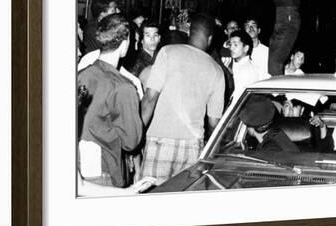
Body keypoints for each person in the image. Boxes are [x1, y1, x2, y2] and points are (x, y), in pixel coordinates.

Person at [140, 13, 225, 185]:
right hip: (193, 146)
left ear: (189, 32)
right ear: (210, 38)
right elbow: (214, 122)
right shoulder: (217, 70)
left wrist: (137, 134)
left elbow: (150, 98)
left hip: (159, 140)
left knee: (149, 199)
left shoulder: (167, 52)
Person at [77, 14, 144, 188]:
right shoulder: (123, 87)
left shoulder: (81, 74)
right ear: (125, 43)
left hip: (78, 165)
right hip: (105, 169)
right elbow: (131, 142)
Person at [228, 30, 261, 101]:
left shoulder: (249, 70)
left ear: (246, 48)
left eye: (235, 45)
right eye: (230, 44)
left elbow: (238, 98)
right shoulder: (232, 64)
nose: (231, 48)